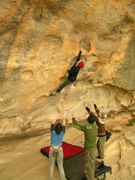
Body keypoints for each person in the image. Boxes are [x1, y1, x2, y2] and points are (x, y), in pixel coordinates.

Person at [72, 112, 98, 180]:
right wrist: (88, 118)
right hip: (94, 149)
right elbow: (91, 122)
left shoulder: (87, 127)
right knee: (92, 164)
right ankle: (91, 177)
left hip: (88, 150)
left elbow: (76, 125)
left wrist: (73, 118)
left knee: (87, 165)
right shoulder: (96, 126)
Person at [84, 102, 107, 169]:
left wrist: (86, 107)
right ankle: (99, 155)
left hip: (102, 137)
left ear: (100, 116)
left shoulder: (98, 120)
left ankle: (102, 162)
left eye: (100, 114)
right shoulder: (102, 119)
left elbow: (92, 114)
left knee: (101, 148)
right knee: (98, 146)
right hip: (102, 136)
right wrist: (94, 105)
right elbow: (98, 112)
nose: (99, 113)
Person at [48, 114, 66, 180]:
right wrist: (63, 118)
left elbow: (52, 123)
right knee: (60, 166)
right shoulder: (62, 132)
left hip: (52, 149)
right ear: (61, 129)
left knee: (51, 166)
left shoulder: (52, 132)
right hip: (60, 150)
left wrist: (57, 117)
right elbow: (64, 125)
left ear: (55, 128)